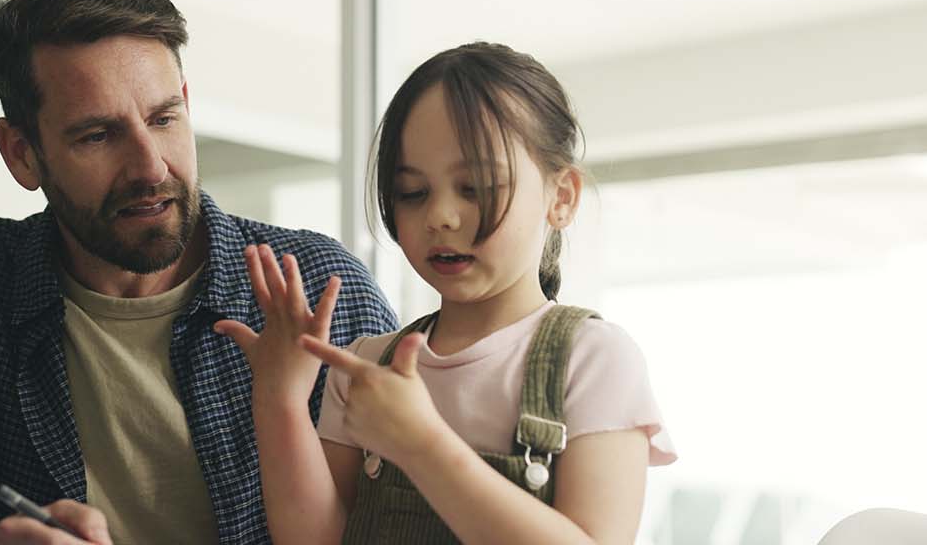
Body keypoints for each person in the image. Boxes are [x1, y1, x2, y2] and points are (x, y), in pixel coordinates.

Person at [0, 0, 397, 543]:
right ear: (22, 154)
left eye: (164, 119)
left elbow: (410, 518)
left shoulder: (323, 287)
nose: (150, 166)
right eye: (97, 135)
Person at [215, 42, 677, 544]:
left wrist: (420, 444)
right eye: (413, 192)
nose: (440, 216)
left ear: (561, 198)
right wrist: (280, 397)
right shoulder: (366, 366)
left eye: (475, 187)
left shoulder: (594, 358)